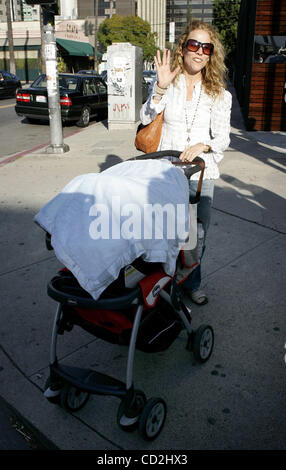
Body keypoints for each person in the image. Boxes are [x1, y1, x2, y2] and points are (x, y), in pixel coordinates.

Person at [140, 19, 232, 305]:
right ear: (183, 48)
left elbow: (223, 139)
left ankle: (191, 282)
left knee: (196, 236)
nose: (199, 52)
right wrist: (159, 89)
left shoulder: (220, 93)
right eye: (194, 44)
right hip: (165, 173)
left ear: (211, 54)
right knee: (165, 234)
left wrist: (203, 144)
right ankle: (163, 284)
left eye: (207, 47)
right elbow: (145, 119)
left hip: (201, 175)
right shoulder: (168, 82)